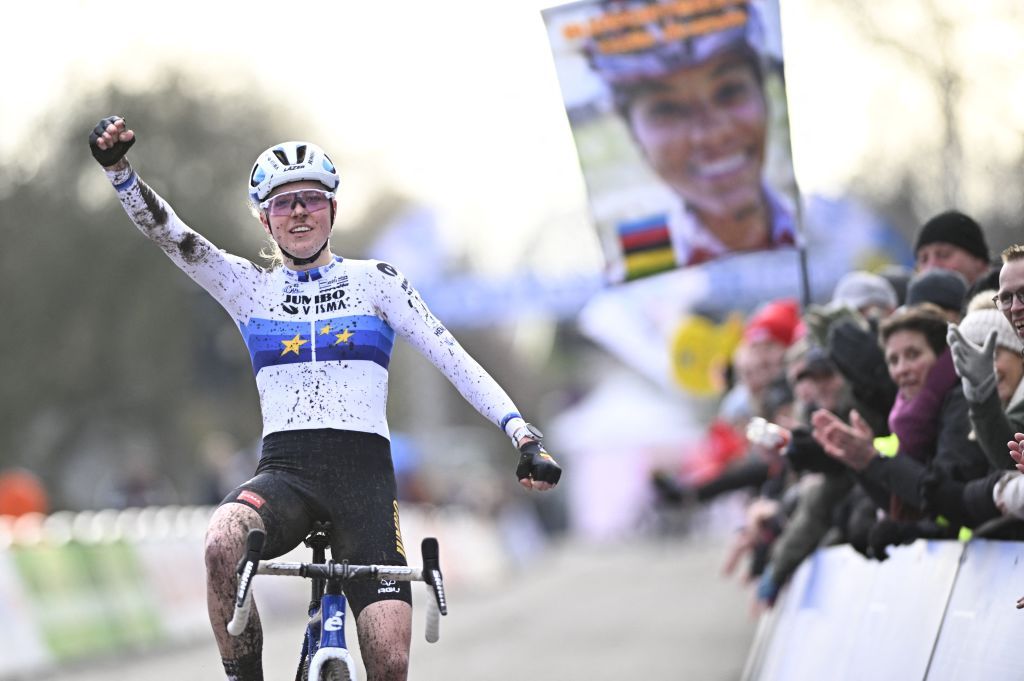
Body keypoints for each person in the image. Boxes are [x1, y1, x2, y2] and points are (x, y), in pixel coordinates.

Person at [89, 116, 562, 681]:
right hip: (284, 477)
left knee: (389, 660)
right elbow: (174, 237)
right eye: (283, 204)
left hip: (363, 486)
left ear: (332, 210)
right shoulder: (249, 287)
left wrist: (523, 435)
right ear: (264, 218)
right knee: (220, 542)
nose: (298, 213)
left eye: (311, 200)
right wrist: (120, 172)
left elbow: (453, 359)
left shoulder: (377, 281)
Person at [583, 0, 796, 275]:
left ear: (765, 97)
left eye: (728, 92)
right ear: (634, 135)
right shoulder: (638, 267)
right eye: (668, 110)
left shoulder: (833, 230)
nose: (710, 134)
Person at [912, 209, 991, 285]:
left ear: (979, 263)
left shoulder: (999, 297)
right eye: (924, 259)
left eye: (944, 254)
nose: (931, 267)